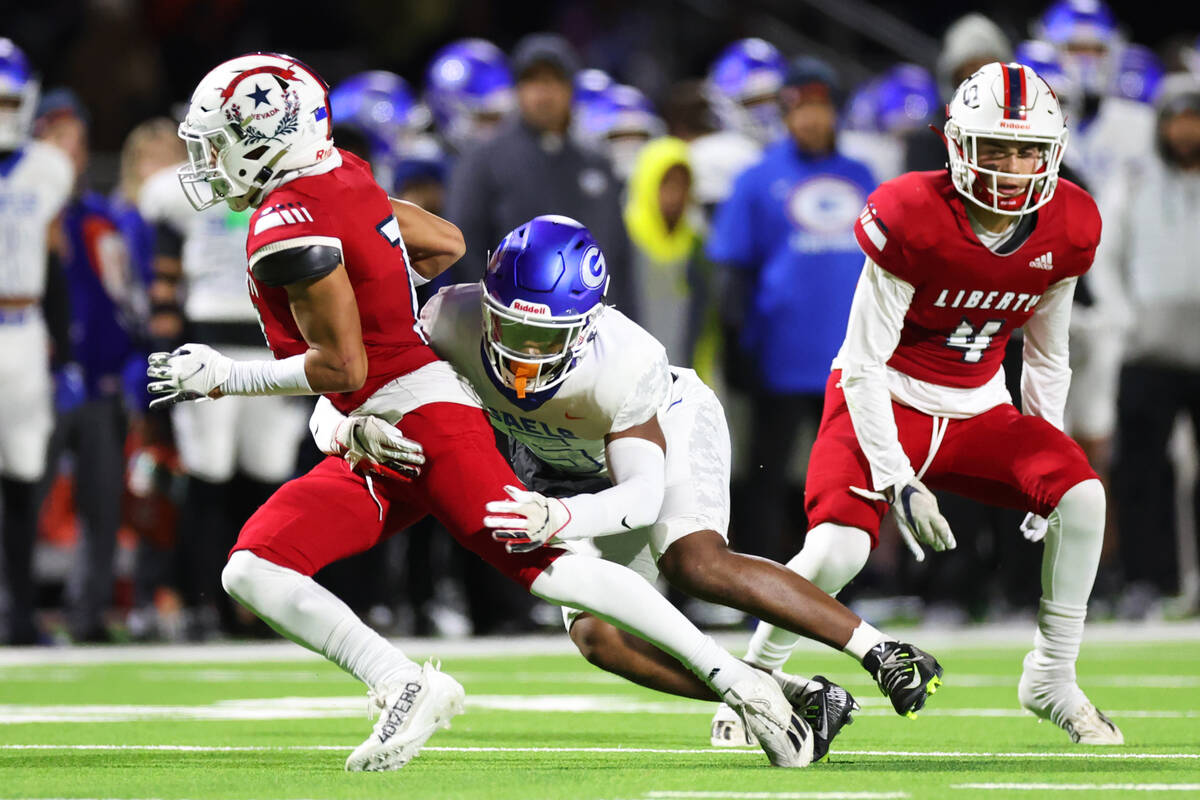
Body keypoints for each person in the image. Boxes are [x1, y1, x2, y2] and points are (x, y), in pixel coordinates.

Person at [150, 51, 826, 772]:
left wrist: (226, 377)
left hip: (420, 417)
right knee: (253, 568)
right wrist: (357, 383)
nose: (211, 159)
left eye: (218, 139)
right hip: (377, 427)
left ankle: (740, 682)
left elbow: (341, 365)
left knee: (550, 567)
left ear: (267, 136)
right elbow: (446, 243)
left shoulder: (288, 227)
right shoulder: (340, 173)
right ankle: (403, 681)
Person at [309, 214, 940, 751]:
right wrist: (347, 432)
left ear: (587, 323)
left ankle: (882, 652)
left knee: (693, 562)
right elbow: (333, 396)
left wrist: (560, 519)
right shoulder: (446, 319)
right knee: (598, 636)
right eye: (513, 328)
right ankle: (792, 697)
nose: (526, 353)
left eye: (545, 336)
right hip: (555, 469)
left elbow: (640, 496)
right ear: (487, 303)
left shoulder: (626, 362)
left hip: (660, 434)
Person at [735, 62, 1123, 746]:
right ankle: (751, 681)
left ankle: (1052, 675)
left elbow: (1046, 355)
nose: (1011, 167)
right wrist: (896, 478)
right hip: (883, 399)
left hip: (979, 409)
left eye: (1028, 150)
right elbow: (861, 362)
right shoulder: (912, 212)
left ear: (1054, 152)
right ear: (957, 145)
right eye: (995, 148)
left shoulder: (1069, 223)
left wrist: (1048, 452)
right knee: (835, 553)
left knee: (1084, 496)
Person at [707, 57, 877, 565]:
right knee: (765, 473)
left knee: (850, 477)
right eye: (799, 108)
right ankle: (759, 578)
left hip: (850, 355)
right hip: (779, 354)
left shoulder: (862, 176)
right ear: (784, 114)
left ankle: (850, 581)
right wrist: (736, 339)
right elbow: (732, 266)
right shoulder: (757, 180)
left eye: (819, 107)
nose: (809, 119)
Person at [34, 88, 140, 643]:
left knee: (103, 505)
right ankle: (15, 612)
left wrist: (128, 360)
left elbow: (124, 302)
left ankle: (88, 612)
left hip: (97, 384)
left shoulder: (101, 218)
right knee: (21, 503)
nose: (70, 154)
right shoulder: (20, 206)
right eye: (59, 140)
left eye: (76, 142)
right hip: (36, 378)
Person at [443, 33, 637, 317]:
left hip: (593, 326)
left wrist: (627, 324)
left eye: (553, 80)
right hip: (513, 324)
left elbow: (617, 255)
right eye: (532, 81)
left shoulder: (595, 160)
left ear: (570, 88)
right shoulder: (485, 157)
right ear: (518, 89)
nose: (543, 93)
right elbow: (463, 243)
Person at [1100, 74, 1200, 617]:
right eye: (1176, 118)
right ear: (1161, 125)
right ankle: (1147, 581)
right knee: (1141, 470)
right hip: (1148, 348)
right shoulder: (1133, 178)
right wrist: (1126, 319)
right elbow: (1106, 253)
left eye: (1194, 117)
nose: (1185, 129)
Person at [0, 39, 75, 645]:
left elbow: (56, 265)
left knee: (25, 473)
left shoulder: (47, 166)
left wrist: (67, 355)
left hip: (24, 331)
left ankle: (20, 613)